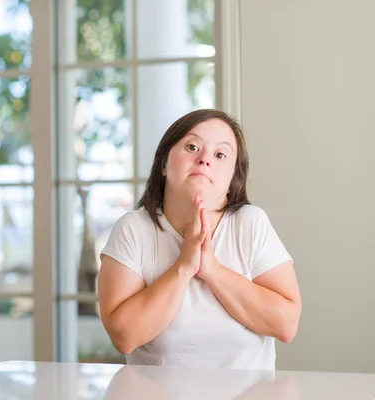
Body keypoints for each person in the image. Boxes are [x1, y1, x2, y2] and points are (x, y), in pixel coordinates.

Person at [97, 109, 301, 370]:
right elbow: (124, 337)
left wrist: (213, 270)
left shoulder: (251, 224)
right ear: (163, 164)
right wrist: (183, 267)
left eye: (220, 155)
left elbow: (285, 326)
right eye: (192, 147)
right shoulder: (133, 229)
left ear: (232, 178)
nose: (205, 159)